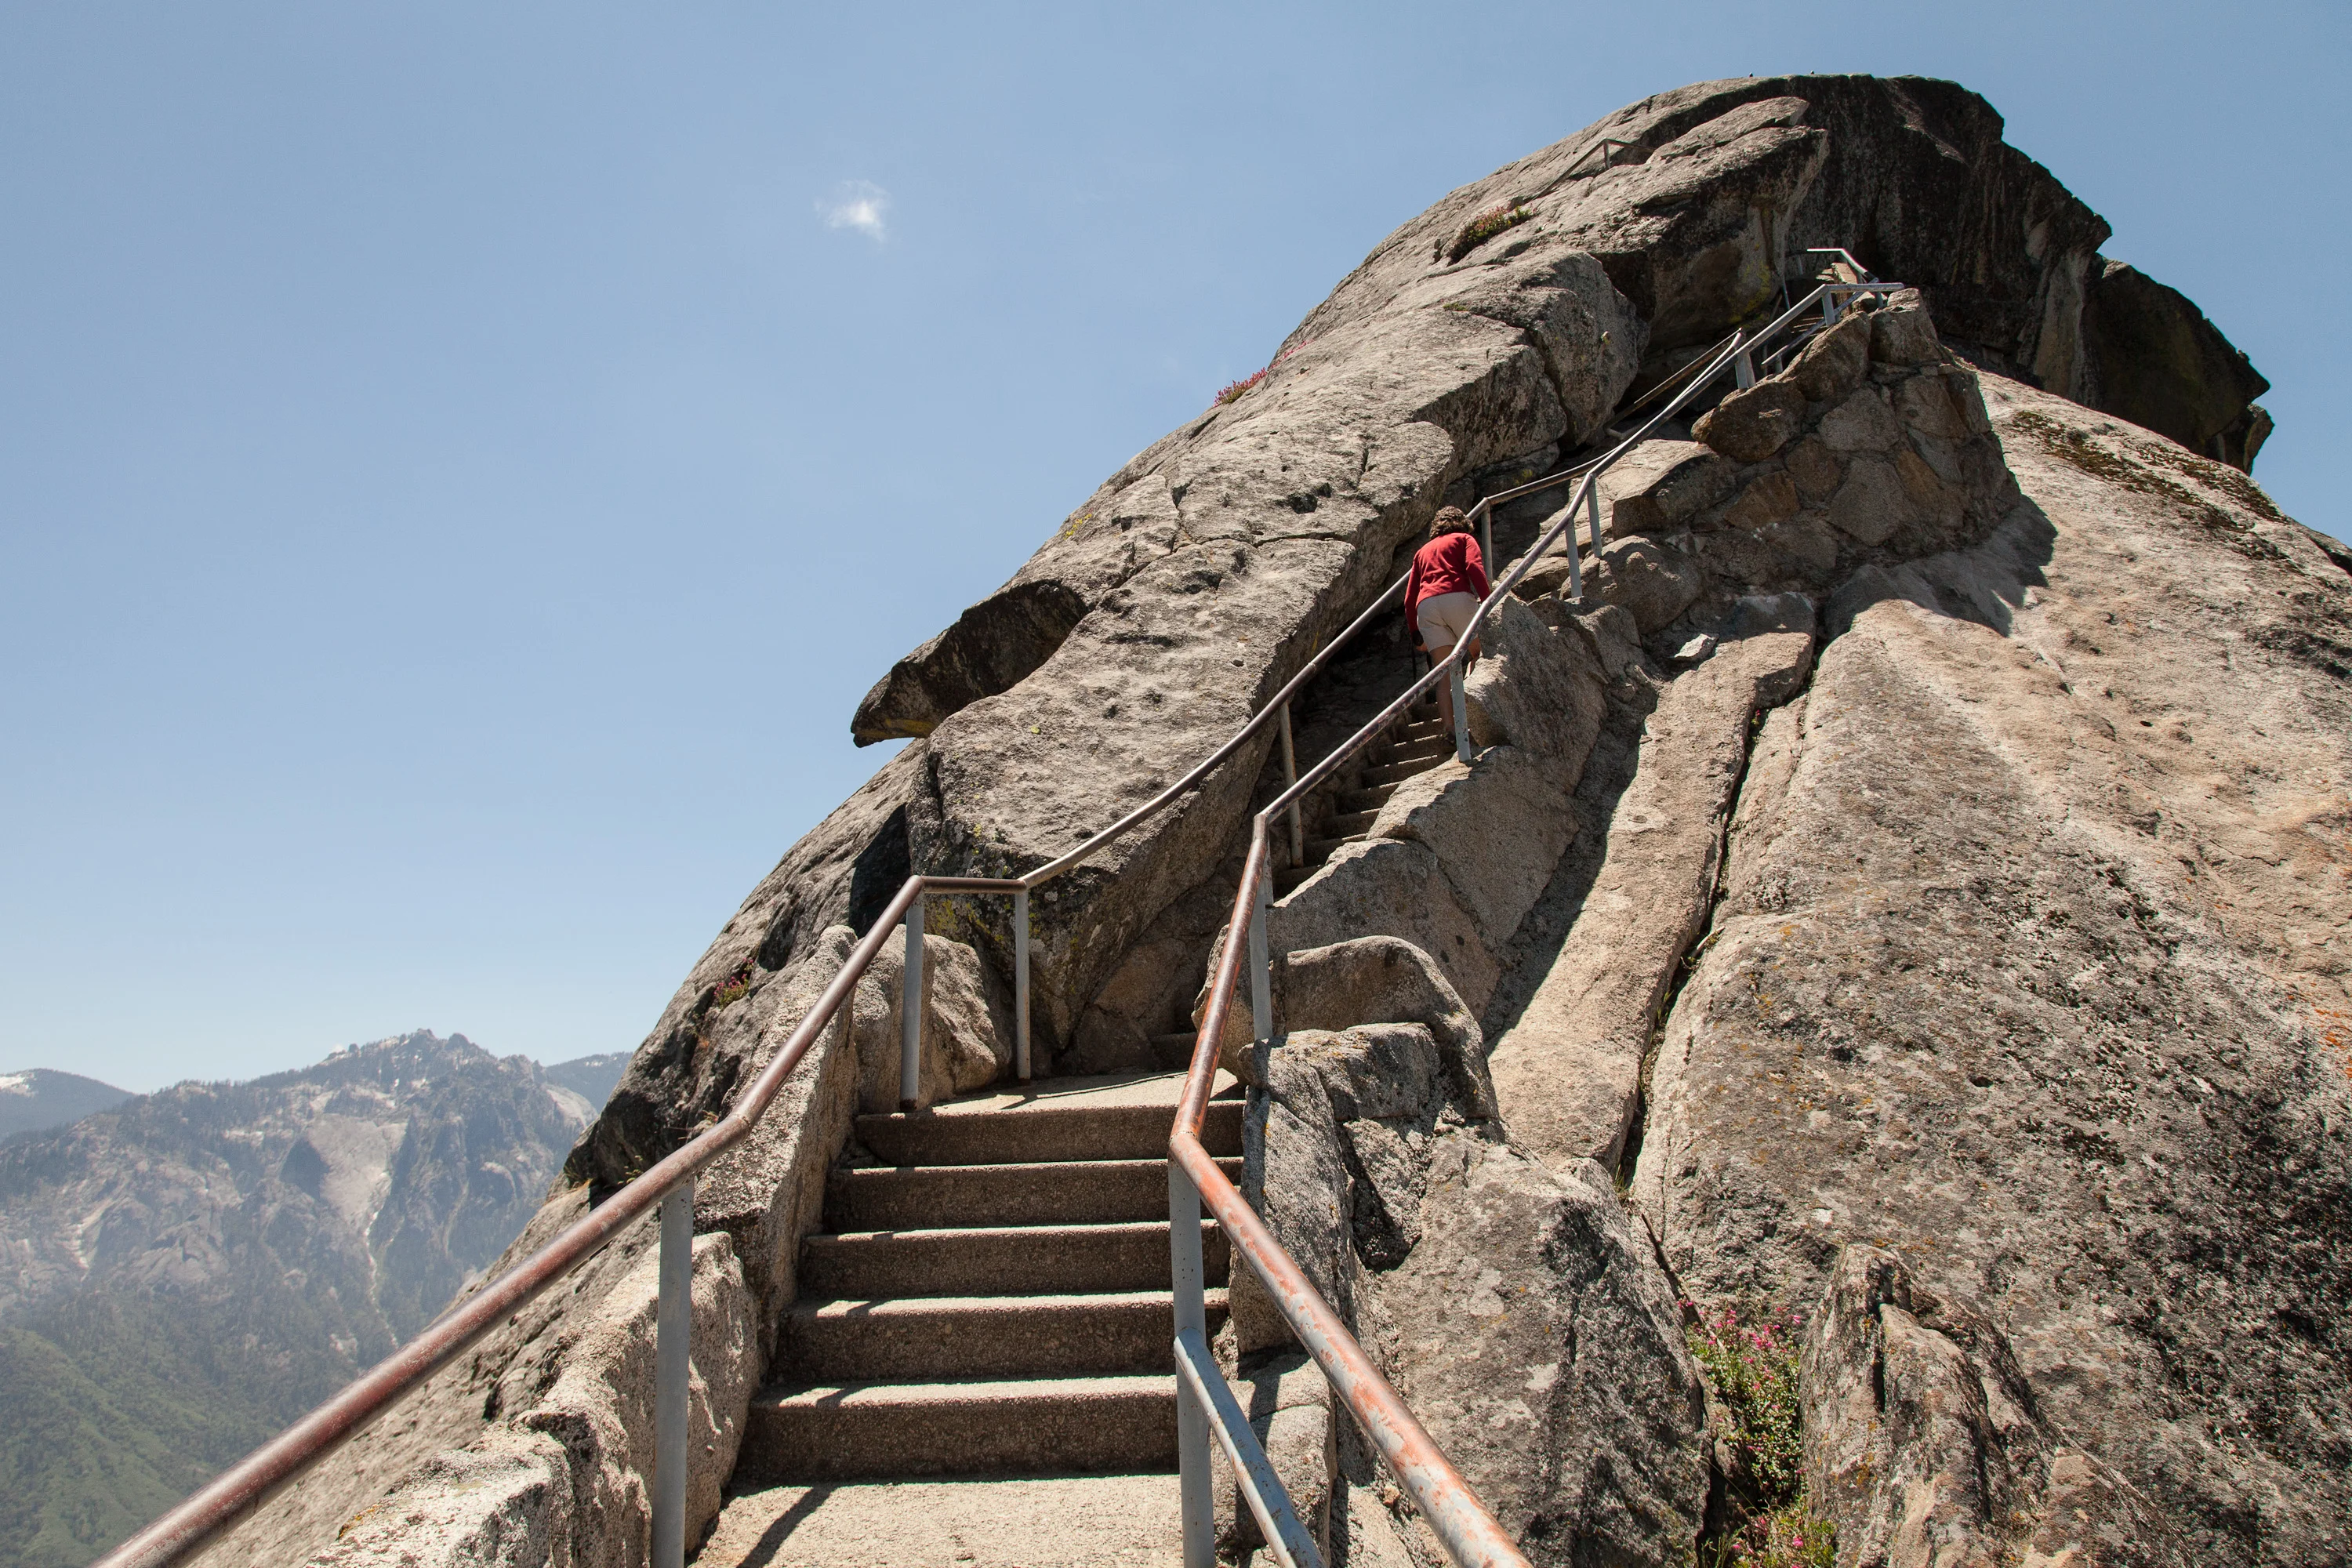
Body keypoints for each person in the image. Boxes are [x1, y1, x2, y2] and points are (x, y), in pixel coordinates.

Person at [1404, 506, 1488, 736]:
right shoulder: (1464, 539)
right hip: (1456, 596)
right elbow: (1473, 567)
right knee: (1478, 654)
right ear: (1463, 523)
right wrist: (1489, 601)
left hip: (1427, 606)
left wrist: (1415, 632)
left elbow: (1409, 598)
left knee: (1445, 673)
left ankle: (1450, 728)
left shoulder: (1422, 552)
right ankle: (1474, 715)